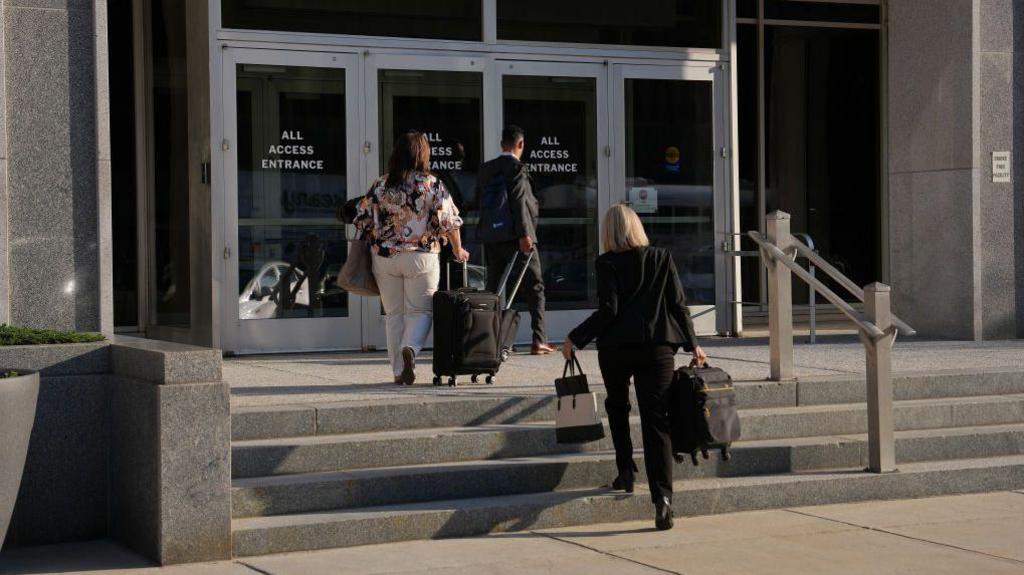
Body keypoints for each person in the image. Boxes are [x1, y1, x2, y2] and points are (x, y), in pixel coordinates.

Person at [562, 203, 707, 531]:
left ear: (609, 233)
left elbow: (609, 310)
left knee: (617, 407)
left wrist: (575, 337)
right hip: (658, 348)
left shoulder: (607, 263)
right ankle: (662, 498)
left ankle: (626, 472)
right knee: (657, 420)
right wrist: (693, 343)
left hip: (616, 348)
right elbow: (678, 304)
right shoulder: (661, 258)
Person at [354, 131, 469, 385]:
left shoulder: (382, 184)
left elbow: (361, 217)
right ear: (424, 154)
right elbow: (450, 221)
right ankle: (411, 348)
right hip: (422, 256)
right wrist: (458, 249)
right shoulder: (432, 184)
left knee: (394, 314)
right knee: (420, 311)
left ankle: (398, 371)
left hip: (385, 258)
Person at [476, 125, 555, 355]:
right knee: (535, 286)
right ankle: (539, 339)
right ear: (520, 145)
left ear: (502, 145)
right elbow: (520, 202)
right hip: (518, 238)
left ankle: (487, 340)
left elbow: (479, 202)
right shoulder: (517, 168)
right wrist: (525, 235)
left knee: (494, 289)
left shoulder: (486, 169)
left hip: (492, 237)